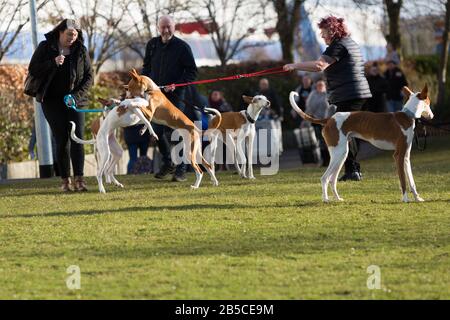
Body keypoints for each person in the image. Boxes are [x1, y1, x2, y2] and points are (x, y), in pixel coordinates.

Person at [283, 15, 372, 181]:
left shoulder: (337, 46)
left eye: (324, 33)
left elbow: (319, 65)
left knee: (346, 132)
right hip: (358, 93)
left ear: (332, 31)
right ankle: (353, 169)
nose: (322, 36)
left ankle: (352, 171)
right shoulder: (350, 43)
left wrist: (294, 65)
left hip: (349, 95)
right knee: (351, 132)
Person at [27, 19, 93, 191]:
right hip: (51, 101)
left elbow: (89, 77)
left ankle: (80, 180)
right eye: (69, 34)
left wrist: (76, 95)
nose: (72, 38)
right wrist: (53, 62)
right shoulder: (45, 47)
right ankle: (65, 181)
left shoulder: (80, 50)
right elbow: (33, 69)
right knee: (61, 139)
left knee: (77, 138)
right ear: (60, 32)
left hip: (75, 101)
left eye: (75, 35)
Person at [142, 15, 197, 182]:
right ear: (158, 27)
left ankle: (181, 168)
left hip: (175, 96)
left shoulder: (182, 47)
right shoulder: (152, 45)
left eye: (169, 27)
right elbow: (146, 67)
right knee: (157, 131)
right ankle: (168, 162)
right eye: (163, 27)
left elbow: (192, 72)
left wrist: (177, 84)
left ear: (174, 26)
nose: (166, 30)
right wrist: (143, 85)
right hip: (155, 96)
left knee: (174, 132)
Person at [304, 80, 335, 166]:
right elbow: (309, 107)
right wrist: (307, 119)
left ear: (325, 86)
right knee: (320, 142)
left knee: (330, 141)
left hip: (328, 122)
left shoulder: (328, 94)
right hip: (316, 121)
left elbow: (333, 107)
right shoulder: (313, 95)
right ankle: (324, 160)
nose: (320, 87)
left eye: (321, 85)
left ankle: (332, 160)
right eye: (318, 85)